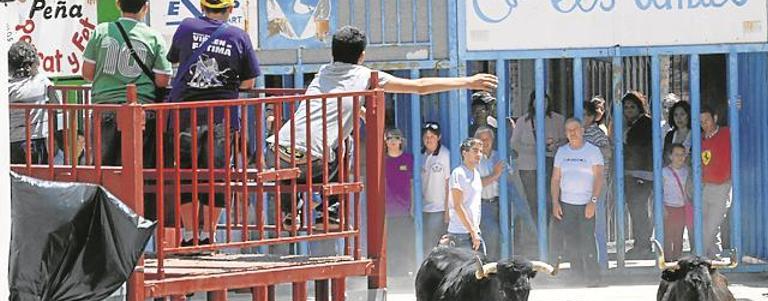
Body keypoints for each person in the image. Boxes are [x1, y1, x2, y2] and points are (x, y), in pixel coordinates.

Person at [267, 25, 496, 220]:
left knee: (298, 152)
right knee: (345, 143)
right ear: (362, 56)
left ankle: (289, 210)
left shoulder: (323, 72)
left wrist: (360, 109)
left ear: (333, 53)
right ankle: (333, 207)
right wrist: (467, 81)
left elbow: (334, 102)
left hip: (276, 152)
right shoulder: (365, 75)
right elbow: (420, 87)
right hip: (313, 161)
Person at [167, 0, 261, 246]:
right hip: (221, 116)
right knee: (217, 175)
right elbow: (249, 83)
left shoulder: (186, 27)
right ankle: (209, 234)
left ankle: (189, 235)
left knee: (185, 173)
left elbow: (175, 59)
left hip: (184, 114)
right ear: (230, 9)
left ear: (202, 6)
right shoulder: (239, 36)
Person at [82, 0, 171, 170]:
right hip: (142, 111)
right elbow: (162, 80)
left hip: (105, 109)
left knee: (105, 171)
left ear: (118, 4)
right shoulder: (153, 37)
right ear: (145, 7)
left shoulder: (101, 31)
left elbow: (87, 73)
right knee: (141, 170)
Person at [551, 118, 604, 286]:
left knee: (588, 239)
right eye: (568, 130)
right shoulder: (562, 152)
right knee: (572, 240)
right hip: (567, 203)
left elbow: (599, 177)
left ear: (582, 130)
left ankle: (593, 276)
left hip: (586, 203)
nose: (572, 133)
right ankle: (577, 275)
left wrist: (593, 201)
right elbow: (555, 179)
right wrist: (555, 202)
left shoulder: (593, 151)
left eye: (575, 129)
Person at [510, 91, 566, 229]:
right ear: (532, 103)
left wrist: (555, 145)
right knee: (533, 202)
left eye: (545, 101)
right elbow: (514, 143)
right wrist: (534, 149)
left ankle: (551, 236)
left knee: (552, 200)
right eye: (538, 101)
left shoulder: (558, 119)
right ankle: (540, 233)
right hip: (528, 166)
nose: (542, 104)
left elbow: (567, 139)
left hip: (552, 165)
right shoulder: (523, 121)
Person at [8, 40, 57, 165]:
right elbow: (57, 104)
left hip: (10, 141)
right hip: (36, 140)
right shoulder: (42, 82)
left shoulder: (7, 88)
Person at [622, 91, 654, 258]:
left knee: (639, 210)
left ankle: (644, 245)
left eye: (632, 106)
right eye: (626, 107)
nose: (628, 110)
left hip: (642, 173)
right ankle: (640, 244)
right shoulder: (630, 124)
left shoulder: (645, 124)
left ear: (639, 107)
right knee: (636, 210)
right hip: (632, 173)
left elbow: (638, 148)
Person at [699, 104, 733, 259]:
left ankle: (699, 255)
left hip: (723, 185)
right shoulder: (700, 139)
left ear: (715, 118)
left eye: (706, 120)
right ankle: (714, 256)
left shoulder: (727, 133)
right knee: (707, 223)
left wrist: (737, 106)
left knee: (713, 222)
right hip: (706, 186)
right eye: (701, 121)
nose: (704, 124)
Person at [384, 128, 415, 274]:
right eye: (389, 138)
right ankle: (391, 273)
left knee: (404, 242)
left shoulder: (409, 159)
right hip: (387, 211)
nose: (393, 141)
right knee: (389, 243)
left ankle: (404, 272)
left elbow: (413, 183)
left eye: (396, 138)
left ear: (401, 141)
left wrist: (414, 206)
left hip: (405, 210)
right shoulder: (382, 161)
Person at [448, 137, 486, 254]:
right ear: (464, 153)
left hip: (473, 232)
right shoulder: (458, 173)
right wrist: (472, 232)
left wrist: (474, 231)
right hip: (461, 233)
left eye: (480, 151)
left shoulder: (477, 174)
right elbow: (458, 206)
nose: (479, 154)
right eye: (475, 150)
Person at [420, 122, 451, 252]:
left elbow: (448, 183)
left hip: (438, 208)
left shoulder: (444, 155)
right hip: (423, 207)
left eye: (432, 136)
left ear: (439, 137)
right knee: (425, 241)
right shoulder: (421, 155)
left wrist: (447, 210)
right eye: (426, 136)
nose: (429, 139)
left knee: (433, 244)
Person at [475, 126, 505, 260]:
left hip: (499, 203)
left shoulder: (499, 156)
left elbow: (509, 178)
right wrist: (495, 174)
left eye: (487, 139)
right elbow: (476, 185)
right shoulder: (474, 160)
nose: (485, 142)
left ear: (493, 140)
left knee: (501, 236)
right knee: (490, 236)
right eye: (481, 140)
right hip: (482, 204)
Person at [662, 143, 692, 260]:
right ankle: (667, 260)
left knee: (679, 236)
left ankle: (677, 260)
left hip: (682, 208)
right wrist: (662, 208)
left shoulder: (687, 171)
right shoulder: (664, 172)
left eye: (682, 154)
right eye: (676, 155)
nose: (680, 157)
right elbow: (659, 192)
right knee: (668, 235)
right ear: (670, 156)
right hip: (668, 207)